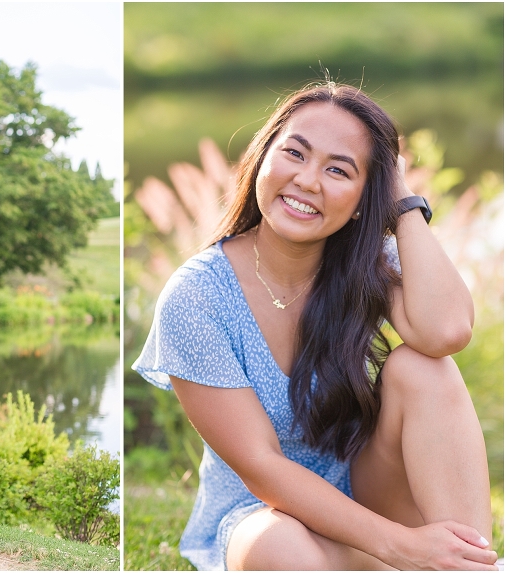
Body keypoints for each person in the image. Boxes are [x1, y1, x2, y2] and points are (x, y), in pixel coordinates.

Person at [132, 82, 496, 570]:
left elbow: (447, 331)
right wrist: (400, 546)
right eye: (294, 154)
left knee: (423, 368)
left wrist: (404, 203)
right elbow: (263, 468)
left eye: (338, 170)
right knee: (280, 546)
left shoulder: (362, 262)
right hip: (264, 517)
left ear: (368, 194)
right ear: (262, 158)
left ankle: (472, 564)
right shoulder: (197, 297)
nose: (307, 180)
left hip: (369, 494)